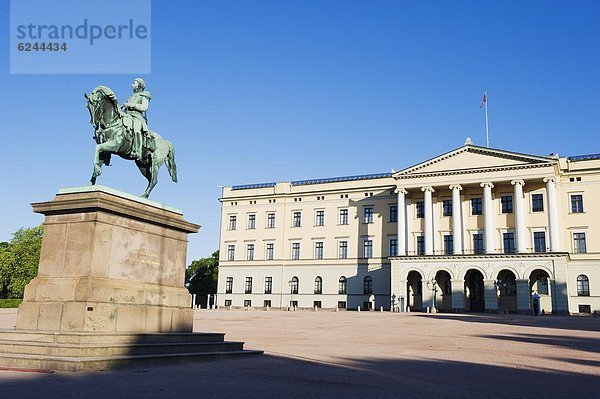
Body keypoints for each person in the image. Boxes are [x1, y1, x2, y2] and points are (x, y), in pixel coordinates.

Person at [122, 78, 151, 159]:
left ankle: (138, 151)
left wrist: (131, 105)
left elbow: (144, 107)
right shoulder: (131, 96)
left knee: (136, 129)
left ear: (139, 85)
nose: (132, 85)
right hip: (127, 115)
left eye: (134, 83)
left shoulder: (145, 94)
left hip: (137, 116)